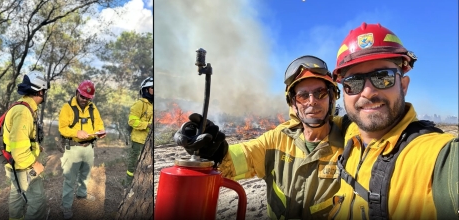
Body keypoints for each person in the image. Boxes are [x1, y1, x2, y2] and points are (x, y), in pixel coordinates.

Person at [175, 56, 345, 219]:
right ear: (293, 103)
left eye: (320, 93)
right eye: (302, 95)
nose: (312, 101)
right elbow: (237, 158)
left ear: (332, 97)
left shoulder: (351, 139)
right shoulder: (276, 139)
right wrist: (214, 151)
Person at [328, 22, 458, 219]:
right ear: (343, 93)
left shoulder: (437, 155)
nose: (368, 91)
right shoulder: (351, 131)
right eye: (353, 82)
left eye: (383, 77)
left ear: (403, 85)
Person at [4, 70, 49, 220]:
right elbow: (19, 150)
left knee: (16, 196)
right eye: (44, 91)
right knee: (38, 202)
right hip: (23, 167)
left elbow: (21, 139)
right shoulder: (23, 112)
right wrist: (34, 163)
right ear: (40, 91)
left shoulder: (23, 107)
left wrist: (36, 147)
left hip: (15, 165)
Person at [58, 80, 106, 219]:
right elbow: (62, 128)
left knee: (85, 174)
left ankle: (81, 194)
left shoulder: (93, 108)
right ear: (77, 93)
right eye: (82, 96)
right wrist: (76, 132)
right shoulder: (67, 108)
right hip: (73, 148)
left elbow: (98, 123)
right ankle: (66, 206)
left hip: (89, 148)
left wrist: (100, 131)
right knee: (69, 179)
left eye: (88, 98)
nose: (85, 100)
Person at [125, 77, 153, 186]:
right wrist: (147, 125)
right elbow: (132, 121)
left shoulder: (154, 105)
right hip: (139, 141)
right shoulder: (140, 103)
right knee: (133, 167)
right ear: (146, 90)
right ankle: (127, 188)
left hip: (149, 142)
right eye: (152, 87)